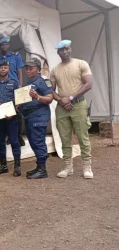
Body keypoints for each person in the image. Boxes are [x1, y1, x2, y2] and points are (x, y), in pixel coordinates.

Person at [50, 40, 93, 179]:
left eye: (67, 49)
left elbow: (88, 84)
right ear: (58, 52)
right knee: (64, 137)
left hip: (78, 104)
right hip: (62, 107)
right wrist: (61, 100)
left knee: (82, 136)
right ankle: (68, 167)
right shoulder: (55, 69)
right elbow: (51, 91)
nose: (64, 52)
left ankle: (87, 167)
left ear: (70, 49)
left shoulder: (81, 63)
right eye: (61, 50)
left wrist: (71, 97)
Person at [19, 58, 54, 179]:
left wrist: (37, 96)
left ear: (38, 69)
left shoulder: (43, 81)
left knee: (38, 142)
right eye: (27, 69)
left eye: (31, 68)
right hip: (30, 116)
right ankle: (39, 167)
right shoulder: (29, 82)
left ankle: (42, 170)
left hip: (38, 116)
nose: (28, 71)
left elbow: (50, 98)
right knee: (34, 142)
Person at [0, 36, 26, 147]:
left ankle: (18, 136)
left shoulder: (15, 56)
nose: (5, 46)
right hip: (2, 86)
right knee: (3, 110)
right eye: (2, 45)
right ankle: (6, 136)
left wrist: (21, 86)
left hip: (15, 85)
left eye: (6, 44)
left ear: (9, 45)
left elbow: (20, 71)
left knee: (17, 111)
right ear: (0, 46)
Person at [0, 61, 22, 176]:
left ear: (9, 69)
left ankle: (17, 166)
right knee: (0, 141)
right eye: (1, 68)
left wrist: (14, 111)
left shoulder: (14, 83)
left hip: (11, 117)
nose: (3, 69)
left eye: (5, 67)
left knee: (14, 141)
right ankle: (3, 165)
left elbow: (19, 99)